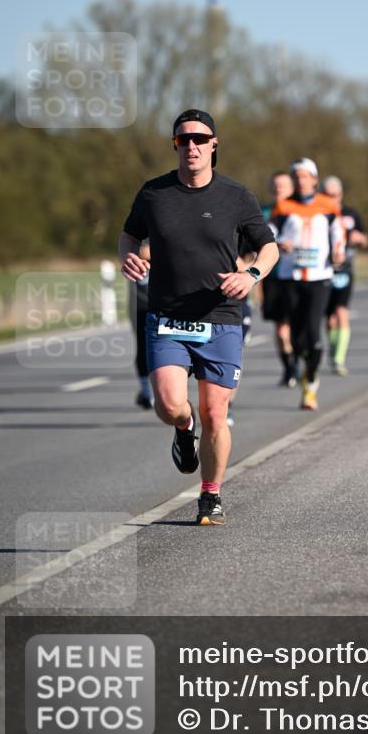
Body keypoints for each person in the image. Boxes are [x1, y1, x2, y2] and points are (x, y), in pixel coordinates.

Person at [119, 109, 278, 526]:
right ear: (175, 146)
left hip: (220, 316)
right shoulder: (154, 194)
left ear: (213, 144)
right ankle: (181, 429)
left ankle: (210, 495)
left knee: (215, 412)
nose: (190, 146)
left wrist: (252, 274)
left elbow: (269, 246)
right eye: (182, 140)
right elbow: (129, 234)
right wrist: (128, 258)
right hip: (168, 316)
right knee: (171, 405)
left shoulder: (236, 196)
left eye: (199, 139)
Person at [272, 158, 345, 410]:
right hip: (290, 277)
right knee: (296, 335)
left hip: (319, 277)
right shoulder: (283, 206)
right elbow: (268, 232)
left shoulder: (328, 206)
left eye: (305, 176)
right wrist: (280, 242)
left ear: (314, 179)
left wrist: (338, 251)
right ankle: (305, 364)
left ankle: (311, 380)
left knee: (314, 333)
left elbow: (338, 233)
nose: (301, 181)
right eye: (297, 177)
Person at [320, 176, 368, 376]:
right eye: (328, 195)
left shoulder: (351, 214)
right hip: (323, 269)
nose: (332, 198)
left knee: (342, 312)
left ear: (341, 195)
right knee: (330, 318)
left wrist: (360, 238)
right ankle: (334, 351)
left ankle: (339, 359)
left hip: (345, 270)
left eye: (335, 195)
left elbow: (366, 239)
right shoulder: (319, 214)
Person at [260, 171, 297, 386]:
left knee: (296, 327)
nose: (278, 189)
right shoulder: (264, 211)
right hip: (272, 276)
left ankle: (300, 361)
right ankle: (289, 368)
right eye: (275, 185)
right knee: (281, 328)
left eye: (282, 185)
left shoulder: (301, 210)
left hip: (296, 276)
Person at [127, 240, 153, 409]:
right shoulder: (141, 222)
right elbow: (140, 251)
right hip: (141, 305)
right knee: (143, 346)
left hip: (167, 305)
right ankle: (147, 392)